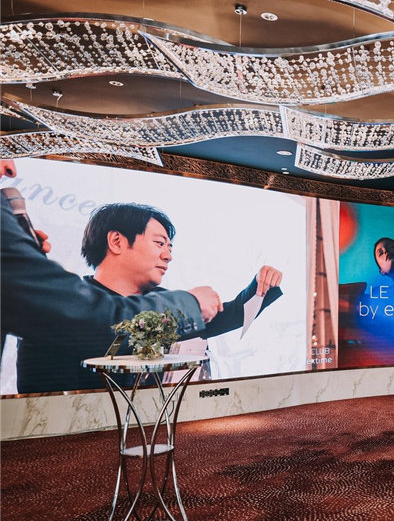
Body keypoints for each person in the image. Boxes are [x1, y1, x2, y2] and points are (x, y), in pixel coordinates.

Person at [1, 159, 226, 393]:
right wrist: (189, 304)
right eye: (159, 243)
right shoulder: (72, 308)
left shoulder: (158, 298)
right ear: (116, 241)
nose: (10, 168)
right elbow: (94, 324)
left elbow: (225, 316)